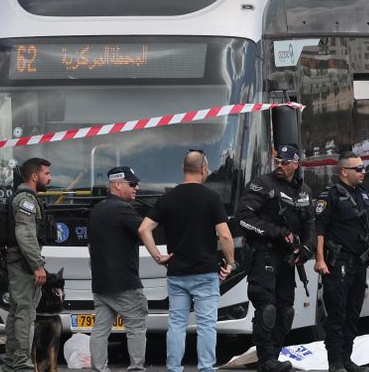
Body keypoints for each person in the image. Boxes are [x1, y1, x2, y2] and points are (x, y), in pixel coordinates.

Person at [139, 150, 235, 372]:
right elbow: (224, 235)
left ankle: (174, 368)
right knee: (206, 325)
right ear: (204, 169)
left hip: (177, 274)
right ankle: (206, 368)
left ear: (183, 169)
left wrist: (158, 257)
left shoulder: (167, 199)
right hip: (205, 273)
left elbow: (144, 229)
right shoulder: (211, 198)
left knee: (177, 324)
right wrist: (230, 262)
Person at [235, 144, 314, 372]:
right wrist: (277, 232)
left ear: (295, 164)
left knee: (286, 311)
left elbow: (311, 225)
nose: (279, 165)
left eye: (285, 162)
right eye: (277, 161)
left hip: (288, 258)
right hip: (264, 254)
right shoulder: (263, 184)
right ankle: (266, 359)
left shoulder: (304, 191)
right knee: (266, 308)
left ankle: (274, 357)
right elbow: (242, 217)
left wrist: (306, 249)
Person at [314, 152, 369, 372]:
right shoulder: (329, 195)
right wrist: (320, 259)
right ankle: (336, 363)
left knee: (353, 313)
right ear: (344, 171)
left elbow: (367, 227)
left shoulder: (362, 193)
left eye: (363, 168)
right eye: (358, 169)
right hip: (338, 263)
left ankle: (347, 359)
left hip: (359, 263)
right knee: (337, 314)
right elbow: (319, 229)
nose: (363, 172)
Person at [87, 166, 148, 372]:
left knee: (100, 329)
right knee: (136, 326)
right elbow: (145, 230)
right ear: (118, 185)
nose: (136, 188)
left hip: (100, 282)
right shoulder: (123, 209)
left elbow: (91, 246)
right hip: (124, 283)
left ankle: (99, 369)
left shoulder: (97, 209)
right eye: (132, 184)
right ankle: (136, 368)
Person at [3, 157, 51, 372]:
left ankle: (11, 363)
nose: (50, 178)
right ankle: (21, 364)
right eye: (46, 174)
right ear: (34, 176)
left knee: (17, 312)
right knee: (25, 313)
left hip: (21, 262)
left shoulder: (26, 198)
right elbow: (25, 234)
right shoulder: (26, 200)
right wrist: (37, 265)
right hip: (23, 264)